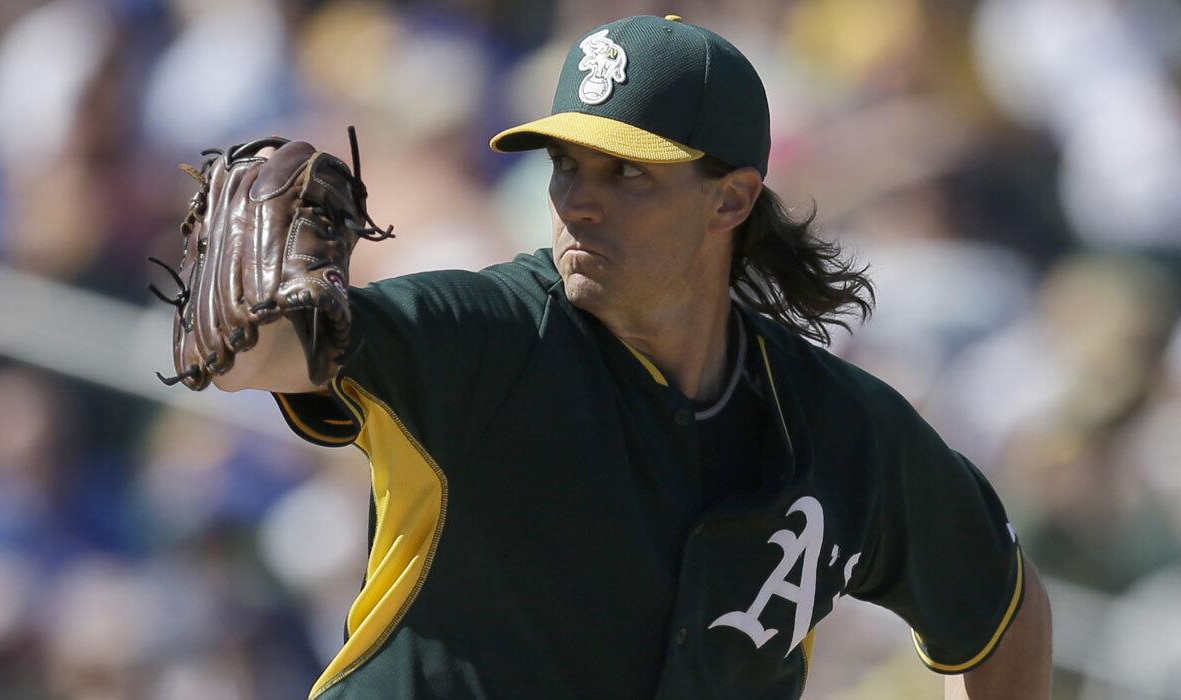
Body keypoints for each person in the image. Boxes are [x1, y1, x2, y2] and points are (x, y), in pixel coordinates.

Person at [211, 14, 1052, 700]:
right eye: (567, 166)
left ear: (731, 198)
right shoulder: (490, 333)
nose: (579, 201)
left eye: (627, 175)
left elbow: (1002, 612)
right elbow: (263, 357)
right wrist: (250, 320)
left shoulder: (838, 427)